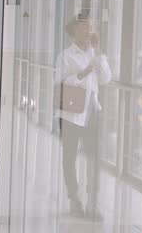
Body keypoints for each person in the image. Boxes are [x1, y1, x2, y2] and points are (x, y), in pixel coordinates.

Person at [55, 13, 111, 220]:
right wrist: (84, 72)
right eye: (84, 27)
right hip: (70, 115)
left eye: (90, 27)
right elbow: (60, 83)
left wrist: (98, 52)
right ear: (74, 31)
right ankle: (74, 199)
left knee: (94, 159)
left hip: (92, 113)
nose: (88, 31)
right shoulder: (65, 55)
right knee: (69, 158)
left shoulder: (95, 54)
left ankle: (93, 204)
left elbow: (106, 78)